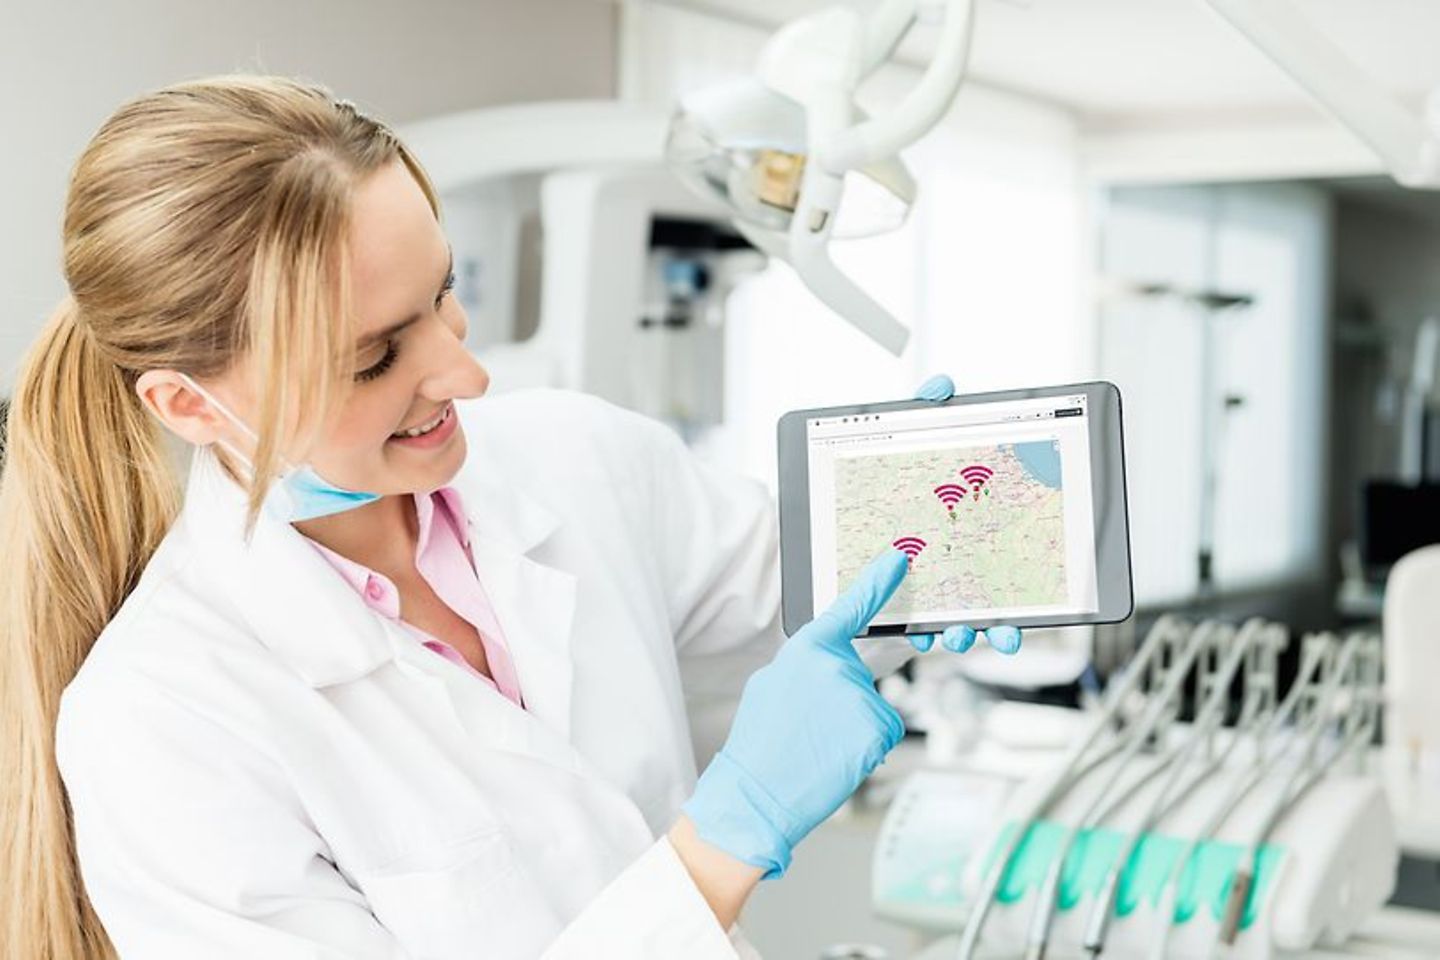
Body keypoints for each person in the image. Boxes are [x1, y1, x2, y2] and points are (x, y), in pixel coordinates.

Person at [0, 76, 1020, 959]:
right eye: (372, 356)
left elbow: (833, 579)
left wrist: (960, 513)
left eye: (444, 296)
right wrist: (723, 843)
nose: (465, 372)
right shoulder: (165, 719)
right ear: (188, 403)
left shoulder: (578, 457)